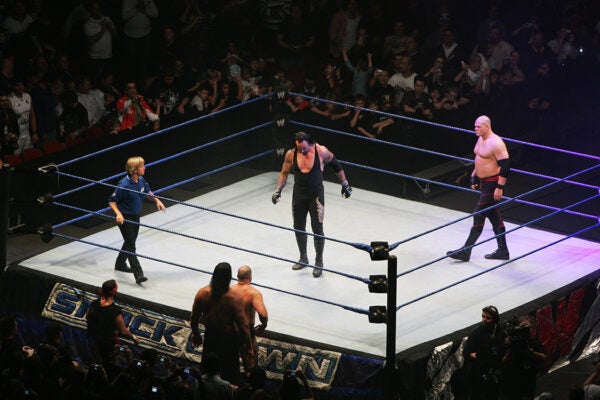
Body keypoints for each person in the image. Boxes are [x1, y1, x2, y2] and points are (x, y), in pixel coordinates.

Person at [271, 131, 352, 278]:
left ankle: (318, 262)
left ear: (311, 143)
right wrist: (278, 190)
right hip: (299, 195)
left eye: (304, 148)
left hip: (316, 195)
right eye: (299, 148)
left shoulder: (321, 151)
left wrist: (345, 184)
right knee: (298, 227)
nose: (302, 151)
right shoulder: (291, 154)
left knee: (317, 228)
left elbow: (336, 166)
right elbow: (284, 173)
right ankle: (303, 258)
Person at [447, 115, 510, 262]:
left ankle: (466, 251)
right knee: (494, 216)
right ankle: (503, 251)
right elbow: (480, 159)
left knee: (479, 214)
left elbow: (506, 165)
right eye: (474, 126)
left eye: (478, 126)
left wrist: (500, 187)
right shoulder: (480, 138)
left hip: (493, 183)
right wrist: (474, 175)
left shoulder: (496, 143)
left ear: (487, 126)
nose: (475, 128)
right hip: (484, 182)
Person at [190, 262, 254, 385]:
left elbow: (194, 317)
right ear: (230, 278)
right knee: (228, 375)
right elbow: (243, 327)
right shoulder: (234, 298)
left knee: (207, 373)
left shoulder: (202, 293)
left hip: (211, 337)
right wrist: (249, 348)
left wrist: (196, 333)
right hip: (228, 340)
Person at [108, 156, 166, 283]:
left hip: (135, 215)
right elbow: (112, 201)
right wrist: (118, 214)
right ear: (134, 170)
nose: (144, 168)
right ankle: (138, 274)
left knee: (130, 241)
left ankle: (120, 264)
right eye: (141, 166)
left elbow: (148, 192)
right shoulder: (123, 184)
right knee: (131, 245)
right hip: (125, 217)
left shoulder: (141, 180)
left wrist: (157, 200)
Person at [86, 279, 139, 364]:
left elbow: (88, 317)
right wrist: (134, 338)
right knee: (108, 362)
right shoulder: (114, 310)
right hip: (107, 344)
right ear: (114, 291)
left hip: (94, 339)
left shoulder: (94, 303)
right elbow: (123, 331)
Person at [229, 265, 269, 367]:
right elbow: (263, 314)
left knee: (227, 366)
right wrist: (263, 325)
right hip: (246, 333)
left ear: (237, 276)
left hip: (229, 331)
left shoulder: (229, 290)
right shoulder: (253, 293)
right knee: (250, 368)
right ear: (250, 277)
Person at [463, 305, 506, 400]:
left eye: (488, 318)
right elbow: (466, 351)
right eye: (483, 316)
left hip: (497, 375)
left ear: (495, 319)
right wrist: (471, 355)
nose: (484, 320)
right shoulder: (477, 333)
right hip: (479, 377)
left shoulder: (502, 332)